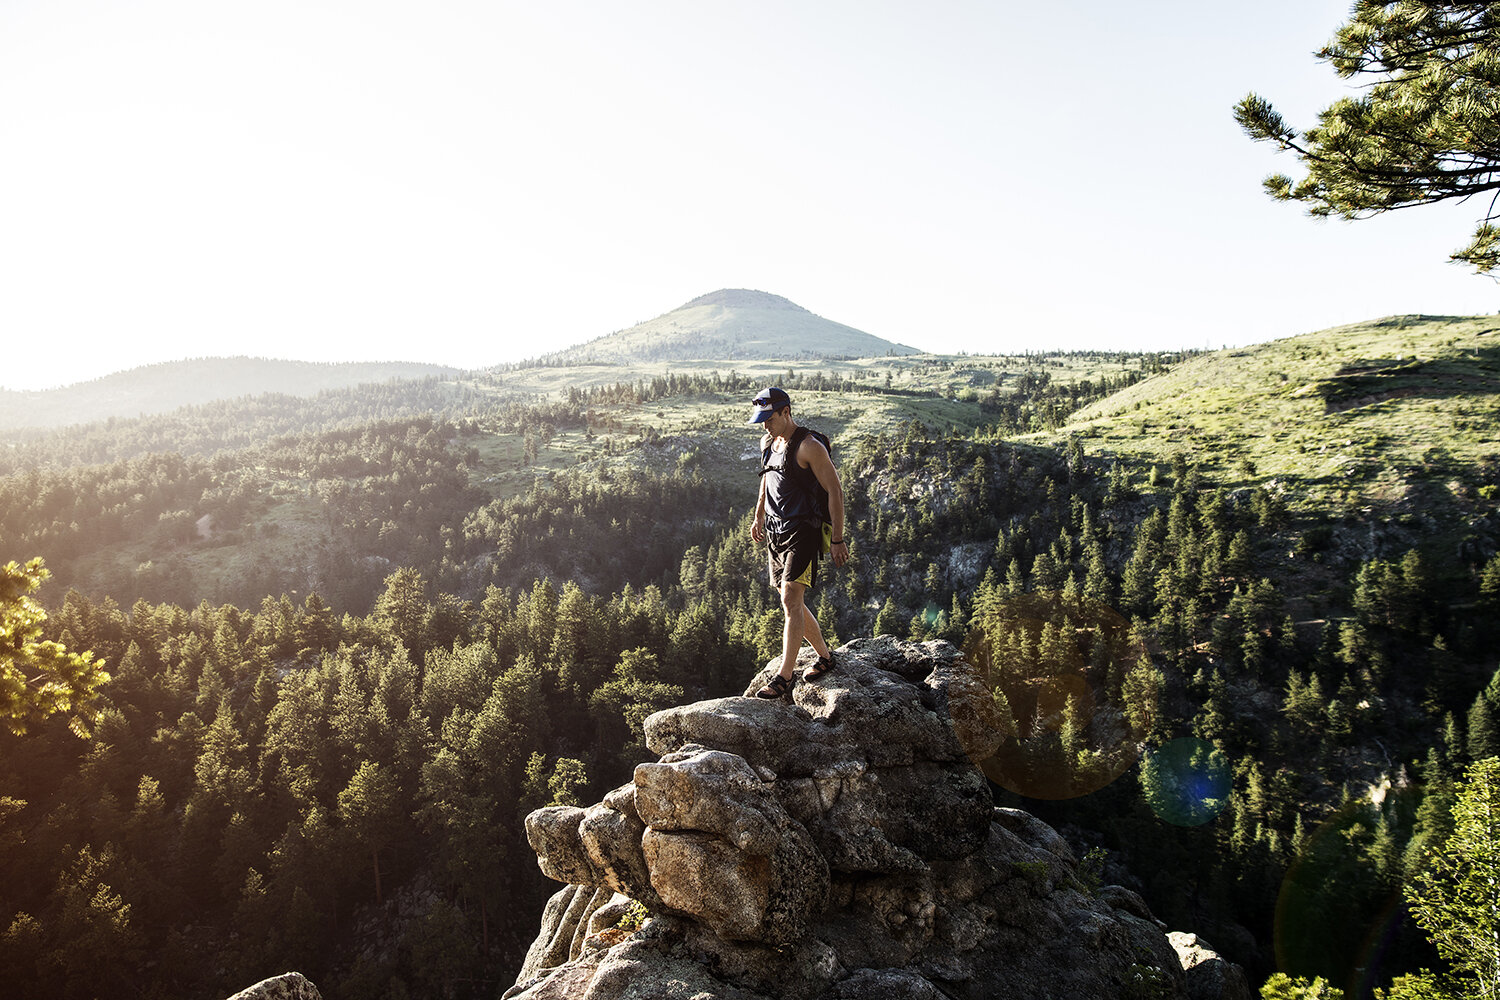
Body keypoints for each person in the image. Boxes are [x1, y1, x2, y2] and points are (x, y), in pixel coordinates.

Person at [746, 387, 849, 699]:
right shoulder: (768, 441)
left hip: (802, 531)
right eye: (761, 419)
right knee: (791, 602)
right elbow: (767, 478)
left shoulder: (809, 446)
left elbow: (835, 491)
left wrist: (837, 538)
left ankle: (784, 678)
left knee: (791, 599)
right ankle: (826, 657)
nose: (765, 425)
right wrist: (758, 514)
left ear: (785, 411)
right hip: (775, 532)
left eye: (769, 418)